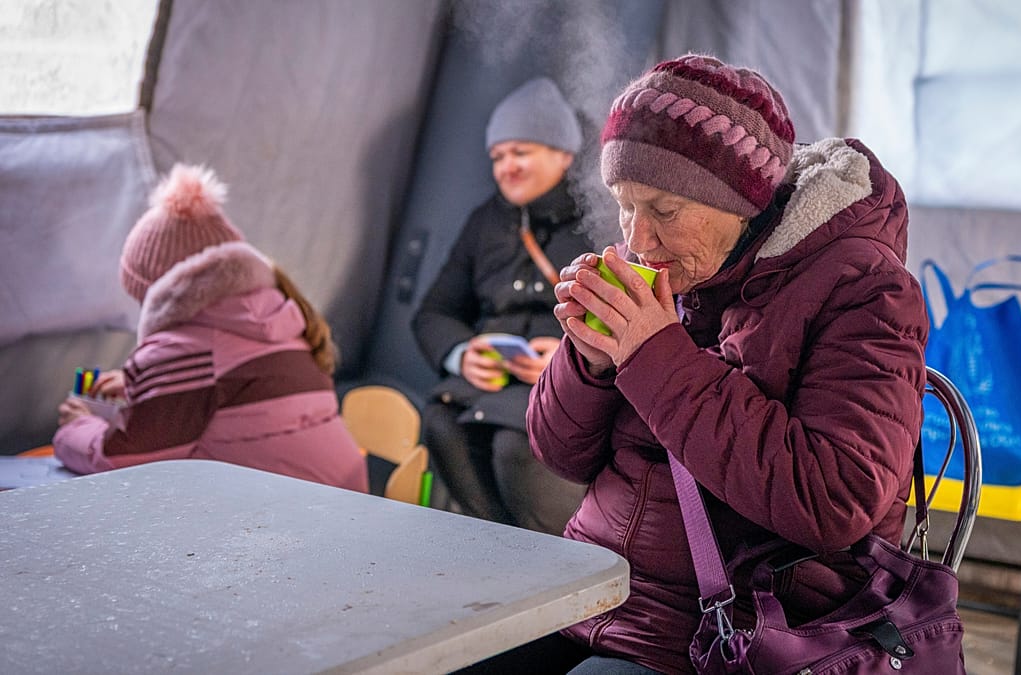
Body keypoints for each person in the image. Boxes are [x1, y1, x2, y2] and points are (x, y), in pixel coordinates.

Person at [517, 54, 930, 673]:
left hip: (739, 632)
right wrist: (591, 363)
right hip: (589, 591)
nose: (638, 239)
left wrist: (654, 354)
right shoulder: (679, 269)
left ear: (741, 201)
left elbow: (836, 499)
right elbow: (560, 456)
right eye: (625, 206)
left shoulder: (865, 289)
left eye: (664, 210)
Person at [53, 163, 368, 493]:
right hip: (346, 499)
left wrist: (78, 427)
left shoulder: (183, 352)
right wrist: (144, 386)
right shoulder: (280, 319)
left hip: (295, 513)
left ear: (160, 293)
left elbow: (121, 461)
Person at [412, 77, 592, 534]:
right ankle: (497, 550)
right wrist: (462, 355)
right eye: (497, 156)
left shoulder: (602, 218)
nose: (505, 167)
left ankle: (554, 563)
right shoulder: (485, 221)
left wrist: (571, 358)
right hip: (489, 386)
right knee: (442, 420)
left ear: (563, 154)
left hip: (563, 391)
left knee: (518, 444)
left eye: (520, 152)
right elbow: (433, 312)